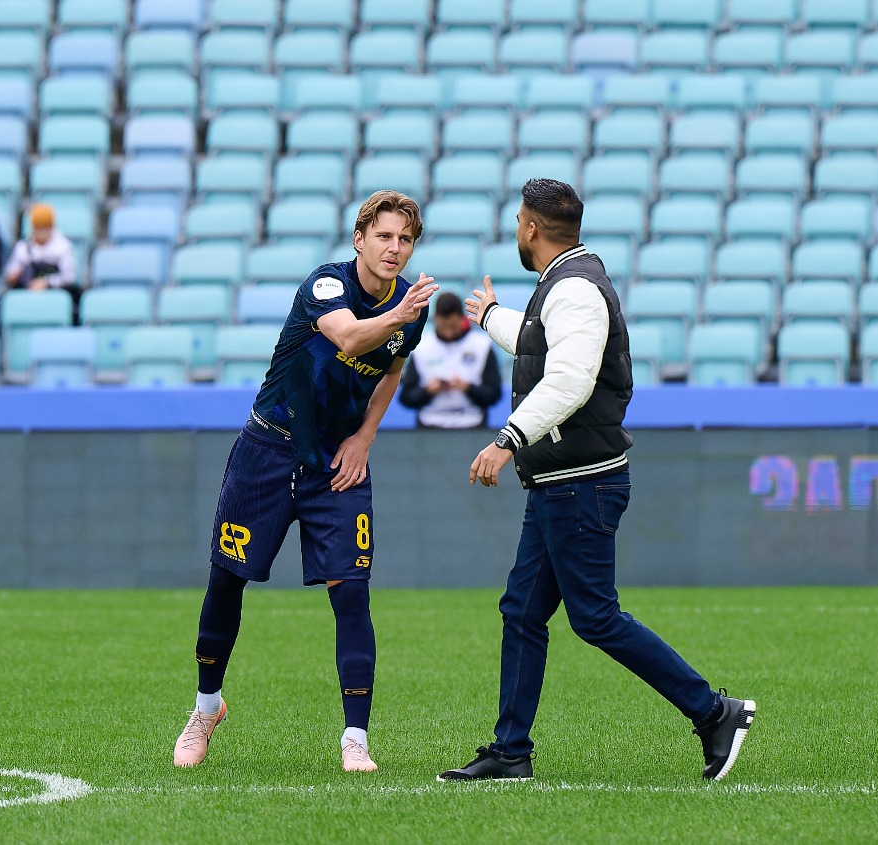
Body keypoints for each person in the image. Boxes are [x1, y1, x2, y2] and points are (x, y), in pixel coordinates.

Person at [438, 179, 755, 783]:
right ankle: (510, 752)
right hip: (559, 482)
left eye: (518, 221)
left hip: (580, 484)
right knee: (522, 611)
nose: (516, 229)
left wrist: (507, 440)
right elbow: (542, 346)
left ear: (532, 227)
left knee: (595, 617)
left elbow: (570, 380)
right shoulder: (566, 282)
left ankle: (715, 712)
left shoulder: (576, 288)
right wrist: (490, 317)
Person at [172, 191, 437, 773]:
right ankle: (206, 708)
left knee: (352, 591)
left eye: (405, 239)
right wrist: (399, 316)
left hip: (335, 463)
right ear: (359, 239)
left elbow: (391, 371)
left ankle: (355, 739)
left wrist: (364, 437)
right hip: (267, 450)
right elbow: (351, 338)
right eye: (384, 236)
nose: (395, 248)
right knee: (226, 580)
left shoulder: (407, 311)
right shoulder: (327, 284)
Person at [396, 291, 502, 428]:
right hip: (430, 426)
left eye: (452, 326)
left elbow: (494, 394)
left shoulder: (482, 346)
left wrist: (468, 388)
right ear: (436, 319)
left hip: (472, 425)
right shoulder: (421, 348)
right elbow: (406, 397)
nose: (448, 332)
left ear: (461, 319)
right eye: (444, 326)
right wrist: (428, 390)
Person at [4, 204, 78, 297]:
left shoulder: (62, 246)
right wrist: (14, 276)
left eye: (45, 227)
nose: (42, 232)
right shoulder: (23, 247)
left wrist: (46, 282)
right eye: (38, 227)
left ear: (52, 227)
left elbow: (69, 277)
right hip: (28, 291)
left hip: (54, 291)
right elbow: (11, 271)